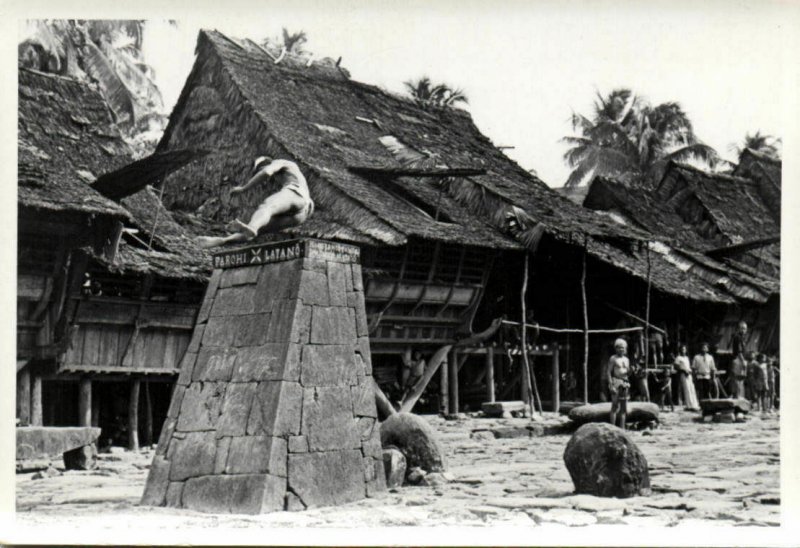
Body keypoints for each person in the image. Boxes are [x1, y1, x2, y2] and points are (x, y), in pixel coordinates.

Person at [196, 157, 315, 249]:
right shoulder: (287, 175)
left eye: (260, 168)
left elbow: (267, 172)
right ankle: (223, 241)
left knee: (267, 207)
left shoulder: (280, 162)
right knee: (258, 230)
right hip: (302, 214)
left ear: (267, 162)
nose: (260, 171)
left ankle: (252, 227)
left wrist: (244, 188)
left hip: (297, 193)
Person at [607, 338, 631, 429]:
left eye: (623, 348)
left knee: (623, 408)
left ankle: (622, 428)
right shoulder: (613, 358)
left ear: (625, 349)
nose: (621, 349)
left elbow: (627, 372)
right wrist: (611, 385)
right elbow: (608, 372)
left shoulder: (627, 359)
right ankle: (613, 427)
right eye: (619, 347)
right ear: (616, 348)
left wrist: (630, 371)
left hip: (625, 383)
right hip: (616, 382)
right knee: (614, 405)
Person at [674, 344, 699, 411]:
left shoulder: (687, 358)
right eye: (682, 349)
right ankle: (689, 406)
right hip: (683, 374)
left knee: (691, 388)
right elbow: (676, 366)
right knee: (687, 389)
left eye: (684, 349)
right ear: (680, 350)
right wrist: (683, 370)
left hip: (689, 374)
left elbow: (688, 366)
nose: (683, 351)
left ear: (686, 350)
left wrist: (690, 371)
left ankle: (695, 404)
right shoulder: (678, 358)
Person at [729, 322, 748, 398]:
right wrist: (743, 361)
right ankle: (737, 397)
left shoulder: (743, 338)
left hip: (742, 359)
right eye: (742, 328)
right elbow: (739, 351)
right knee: (737, 379)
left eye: (745, 328)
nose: (743, 330)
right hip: (738, 359)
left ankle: (740, 396)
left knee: (741, 379)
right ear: (738, 329)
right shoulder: (737, 337)